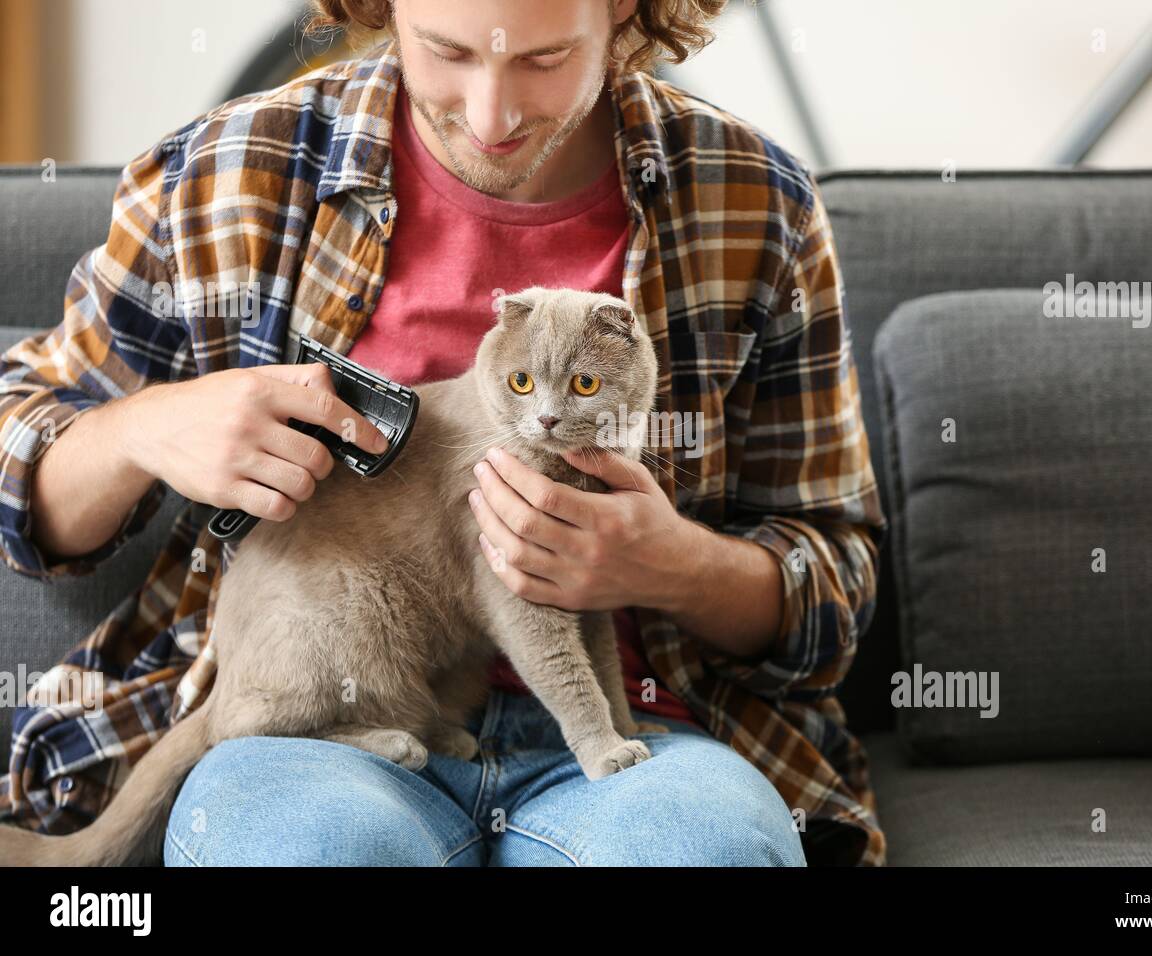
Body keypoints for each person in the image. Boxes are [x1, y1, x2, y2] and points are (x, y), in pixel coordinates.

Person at [0, 0, 886, 866]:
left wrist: (673, 567)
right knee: (309, 852)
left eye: (541, 59)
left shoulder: (753, 197)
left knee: (702, 853)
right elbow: (20, 484)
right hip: (328, 719)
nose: (490, 116)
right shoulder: (227, 172)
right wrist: (143, 429)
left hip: (646, 731)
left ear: (625, 10)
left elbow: (837, 590)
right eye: (447, 52)